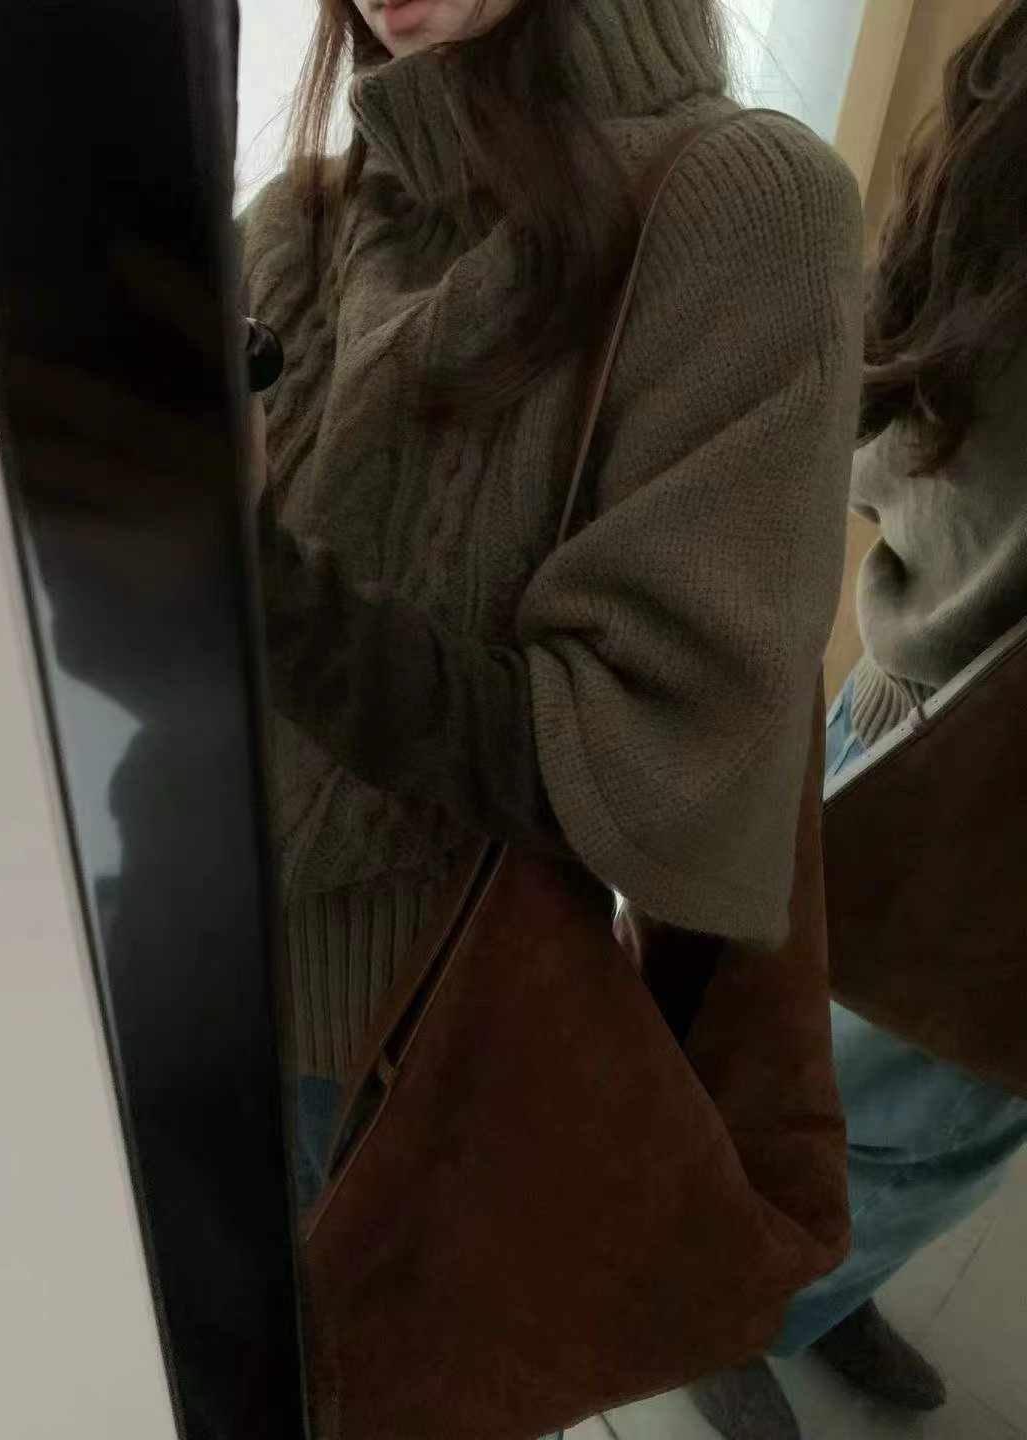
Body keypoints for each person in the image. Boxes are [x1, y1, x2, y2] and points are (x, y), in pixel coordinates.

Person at [242, 0, 862, 1428]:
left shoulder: (745, 207)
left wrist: (260, 585)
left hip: (413, 1064)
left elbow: (652, 758)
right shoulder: (305, 214)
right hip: (175, 978)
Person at [691, 4, 1027, 1436]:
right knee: (872, 1107)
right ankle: (727, 1308)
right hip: (949, 754)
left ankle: (806, 1290)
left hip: (944, 741)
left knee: (938, 1123)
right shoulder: (1007, 163)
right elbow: (880, 426)